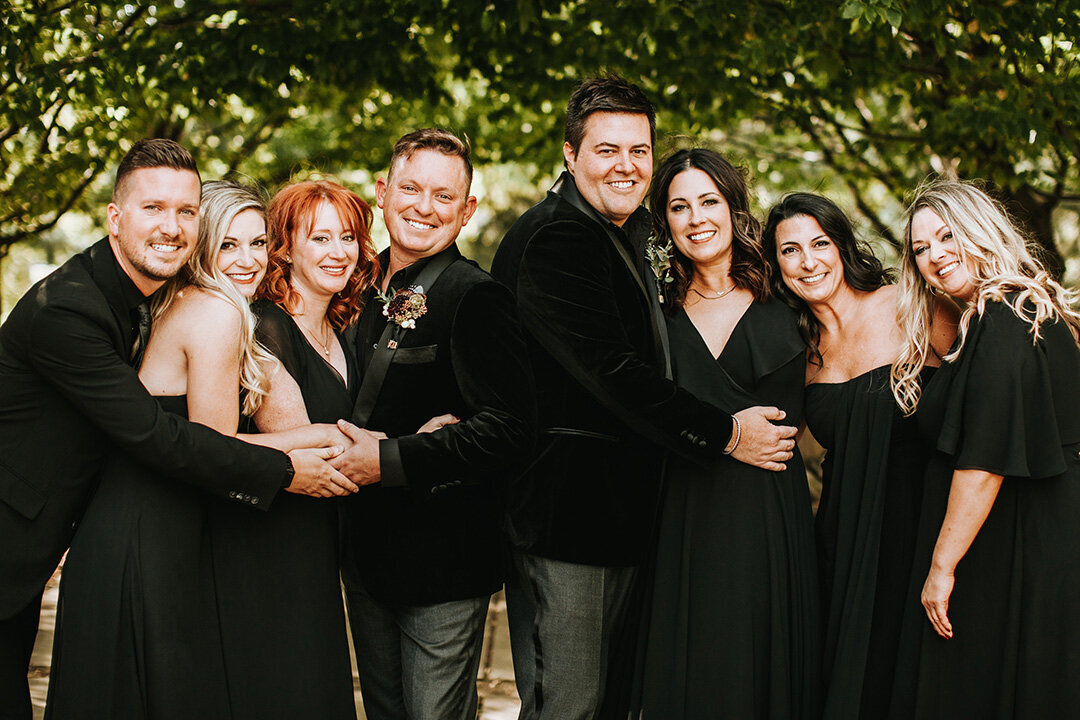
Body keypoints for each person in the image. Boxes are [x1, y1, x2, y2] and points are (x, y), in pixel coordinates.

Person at [0, 140, 352, 719]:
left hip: (93, 524)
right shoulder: (67, 308)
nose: (172, 225)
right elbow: (162, 437)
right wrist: (291, 467)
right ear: (115, 218)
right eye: (154, 208)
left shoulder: (162, 295)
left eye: (185, 211)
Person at [490, 75, 797, 720]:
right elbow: (612, 372)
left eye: (638, 150)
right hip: (568, 517)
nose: (626, 166)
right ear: (570, 156)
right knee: (567, 704)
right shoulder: (556, 239)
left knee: (604, 703)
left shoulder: (622, 234)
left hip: (624, 518)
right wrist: (724, 433)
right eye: (607, 150)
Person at [331, 129, 535, 720]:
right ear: (382, 191)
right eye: (411, 188)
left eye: (443, 197)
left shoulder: (476, 298)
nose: (424, 207)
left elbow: (509, 427)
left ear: (466, 210)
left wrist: (393, 458)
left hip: (444, 556)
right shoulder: (351, 284)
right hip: (364, 552)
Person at [629, 149, 820, 719]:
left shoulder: (791, 295)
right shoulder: (653, 310)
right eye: (679, 206)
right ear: (664, 222)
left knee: (763, 672)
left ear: (734, 207)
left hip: (768, 514)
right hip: (684, 512)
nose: (696, 218)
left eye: (709, 201)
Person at [888, 180, 1080, 718]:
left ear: (981, 229)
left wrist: (941, 567)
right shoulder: (1017, 312)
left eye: (947, 236)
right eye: (921, 249)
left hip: (1020, 542)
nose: (935, 256)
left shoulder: (1002, 316)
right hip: (1026, 536)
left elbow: (984, 462)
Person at [763, 192, 957, 719]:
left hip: (926, 526)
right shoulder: (797, 350)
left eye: (820, 243)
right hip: (845, 538)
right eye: (790, 251)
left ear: (843, 245)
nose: (808, 261)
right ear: (776, 266)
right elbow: (775, 441)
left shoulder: (909, 306)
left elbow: (987, 393)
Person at [208, 178, 382, 719]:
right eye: (320, 237)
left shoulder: (341, 329)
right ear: (286, 247)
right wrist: (420, 444)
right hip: (270, 543)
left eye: (348, 237)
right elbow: (322, 450)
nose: (339, 252)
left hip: (316, 541)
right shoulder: (265, 328)